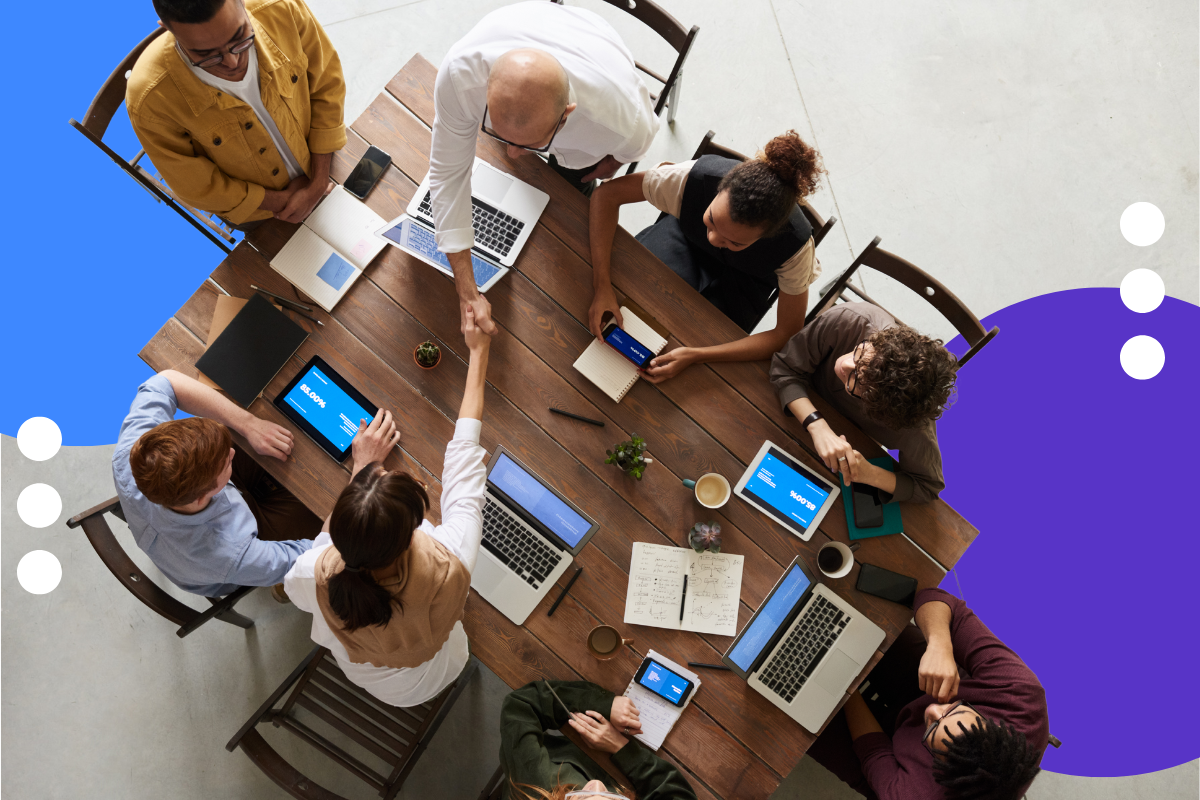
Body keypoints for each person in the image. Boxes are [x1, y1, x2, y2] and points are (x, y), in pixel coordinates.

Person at [284, 310, 491, 706]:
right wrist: (479, 353)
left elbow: (318, 554)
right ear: (412, 533)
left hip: (374, 679)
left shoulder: (314, 571)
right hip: (434, 671)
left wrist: (361, 468)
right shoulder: (450, 560)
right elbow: (465, 462)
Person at [430, 1, 659, 337]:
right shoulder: (458, 76)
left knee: (573, 201)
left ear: (567, 115)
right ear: (487, 90)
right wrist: (467, 290)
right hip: (530, 26)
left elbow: (628, 152)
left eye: (529, 144)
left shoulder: (622, 123)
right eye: (498, 133)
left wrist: (609, 165)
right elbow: (447, 175)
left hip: (594, 50)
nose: (512, 154)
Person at [588, 130, 827, 366]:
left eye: (735, 241)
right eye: (712, 220)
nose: (713, 239)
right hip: (685, 239)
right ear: (719, 189)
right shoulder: (690, 178)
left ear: (769, 235)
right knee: (633, 294)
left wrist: (697, 355)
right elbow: (606, 195)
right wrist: (602, 286)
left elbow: (785, 334)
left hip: (746, 282)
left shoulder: (795, 248)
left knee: (701, 339)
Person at [806, 588, 1048, 800]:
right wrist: (939, 645)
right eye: (954, 710)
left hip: (890, 764)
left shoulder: (914, 794)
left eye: (933, 728)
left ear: (937, 767)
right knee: (867, 620)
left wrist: (845, 683)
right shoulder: (1019, 695)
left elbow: (873, 750)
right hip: (931, 684)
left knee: (804, 715)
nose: (932, 710)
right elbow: (934, 597)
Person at [128, 0, 346, 229]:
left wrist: (318, 182)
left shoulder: (280, 8)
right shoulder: (148, 99)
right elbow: (196, 186)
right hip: (260, 214)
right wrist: (281, 202)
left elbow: (327, 84)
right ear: (167, 28)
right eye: (207, 56)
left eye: (240, 37)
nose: (232, 62)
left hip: (325, 160)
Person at [113, 370, 321, 598]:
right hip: (228, 563)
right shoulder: (230, 555)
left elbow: (166, 380)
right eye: (227, 462)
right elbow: (317, 559)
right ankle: (282, 588)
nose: (232, 452)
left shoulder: (136, 452)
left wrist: (248, 424)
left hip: (188, 532)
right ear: (203, 497)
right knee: (328, 514)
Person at [769, 303, 958, 503]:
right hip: (787, 410)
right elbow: (785, 368)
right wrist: (817, 426)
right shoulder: (850, 320)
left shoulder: (913, 426)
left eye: (857, 381)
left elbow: (927, 487)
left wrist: (869, 473)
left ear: (878, 408)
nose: (845, 364)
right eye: (860, 354)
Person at [500, 680, 697, 800]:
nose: (596, 785)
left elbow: (520, 707)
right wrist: (621, 747)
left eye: (579, 797)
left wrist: (602, 703)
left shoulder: (535, 781)